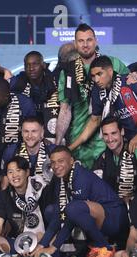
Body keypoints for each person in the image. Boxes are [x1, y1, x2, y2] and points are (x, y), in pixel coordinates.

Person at [33, 146, 129, 257]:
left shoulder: (80, 176)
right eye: (53, 162)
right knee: (52, 211)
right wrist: (42, 244)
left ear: (71, 161)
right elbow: (59, 213)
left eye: (61, 161)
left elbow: (72, 214)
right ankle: (95, 248)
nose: (56, 166)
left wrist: (54, 247)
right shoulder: (60, 178)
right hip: (100, 217)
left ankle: (105, 248)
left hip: (115, 218)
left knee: (73, 208)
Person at [58, 23, 129, 169]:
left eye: (89, 40)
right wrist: (58, 144)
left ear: (96, 41)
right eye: (81, 41)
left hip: (109, 141)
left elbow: (131, 95)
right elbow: (65, 110)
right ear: (75, 44)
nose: (85, 45)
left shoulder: (113, 64)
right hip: (79, 141)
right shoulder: (68, 72)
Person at [0, 156, 46, 257]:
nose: (14, 175)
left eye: (18, 170)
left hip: (41, 240)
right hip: (18, 243)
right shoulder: (5, 195)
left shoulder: (40, 189)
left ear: (27, 172)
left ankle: (39, 254)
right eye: (10, 172)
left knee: (51, 242)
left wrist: (41, 242)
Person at [76, 56, 137, 153]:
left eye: (99, 74)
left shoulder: (130, 83)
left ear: (110, 71)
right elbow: (94, 121)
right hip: (127, 144)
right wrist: (71, 147)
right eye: (93, 76)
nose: (96, 79)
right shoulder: (97, 92)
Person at [10, 51, 63, 143]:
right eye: (28, 65)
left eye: (35, 64)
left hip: (53, 137)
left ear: (43, 65)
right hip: (26, 136)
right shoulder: (18, 82)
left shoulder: (55, 82)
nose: (31, 68)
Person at [1, 117, 56, 189]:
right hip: (18, 198)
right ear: (22, 133)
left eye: (34, 131)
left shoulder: (53, 151)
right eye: (26, 131)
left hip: (47, 197)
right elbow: (5, 183)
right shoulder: (11, 151)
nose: (29, 136)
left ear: (42, 132)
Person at [93, 117, 137, 204]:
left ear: (122, 132)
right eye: (106, 134)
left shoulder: (134, 150)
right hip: (115, 206)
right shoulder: (102, 158)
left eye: (113, 133)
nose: (110, 139)